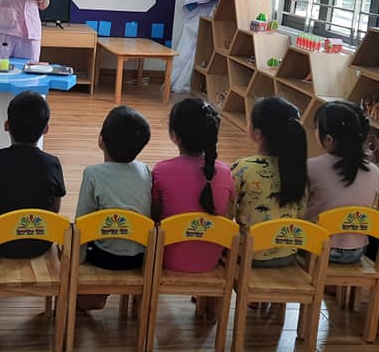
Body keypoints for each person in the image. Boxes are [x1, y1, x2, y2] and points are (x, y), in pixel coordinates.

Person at [75, 106, 152, 310]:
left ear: (100, 140)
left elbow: (82, 223)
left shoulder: (92, 174)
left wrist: (78, 261)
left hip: (104, 257)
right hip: (139, 258)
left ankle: (93, 296)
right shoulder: (145, 170)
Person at [0, 91, 66, 259]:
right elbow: (55, 210)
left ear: (6, 125)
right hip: (40, 243)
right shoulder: (52, 164)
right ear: (46, 129)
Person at [151, 99, 234, 273]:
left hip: (166, 260)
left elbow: (154, 214)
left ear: (174, 136)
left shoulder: (161, 171)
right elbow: (228, 216)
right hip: (210, 262)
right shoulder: (225, 172)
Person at [232, 96, 308, 267]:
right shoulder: (299, 169)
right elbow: (301, 212)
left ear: (257, 133)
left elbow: (228, 211)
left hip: (249, 254)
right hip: (287, 254)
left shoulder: (243, 167)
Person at [304, 101, 379, 263]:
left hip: (316, 247)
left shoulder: (310, 167)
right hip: (357, 250)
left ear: (329, 139)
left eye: (317, 128)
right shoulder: (375, 171)